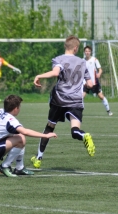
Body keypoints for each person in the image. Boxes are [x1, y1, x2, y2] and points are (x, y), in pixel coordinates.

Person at [31, 35, 95, 169]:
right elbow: (90, 83)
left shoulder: (58, 59)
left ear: (66, 46)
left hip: (60, 99)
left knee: (49, 127)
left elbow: (55, 73)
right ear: (76, 48)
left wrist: (39, 76)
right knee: (75, 130)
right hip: (76, 101)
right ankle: (84, 135)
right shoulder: (83, 62)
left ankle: (38, 158)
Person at [0, 94, 57, 177]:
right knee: (21, 138)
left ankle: (19, 168)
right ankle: (4, 166)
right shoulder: (10, 120)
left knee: (19, 137)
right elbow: (25, 132)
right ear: (16, 108)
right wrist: (45, 135)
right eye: (19, 107)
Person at [83, 45, 113, 116]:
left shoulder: (94, 60)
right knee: (81, 97)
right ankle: (79, 112)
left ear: (91, 52)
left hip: (94, 82)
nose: (87, 52)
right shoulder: (82, 61)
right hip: (86, 82)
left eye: (89, 51)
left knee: (101, 96)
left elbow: (100, 69)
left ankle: (108, 110)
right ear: (84, 52)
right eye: (86, 51)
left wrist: (99, 73)